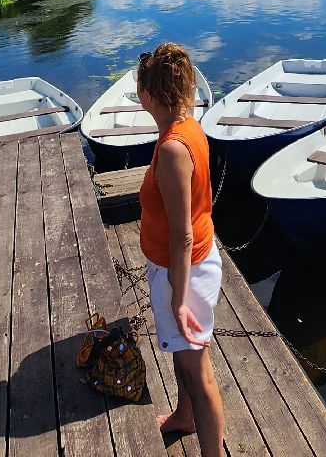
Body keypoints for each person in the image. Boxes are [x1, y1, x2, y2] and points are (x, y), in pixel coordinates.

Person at [137, 42, 224, 454]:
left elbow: (182, 236)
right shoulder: (188, 126)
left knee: (199, 374)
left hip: (185, 271)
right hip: (183, 267)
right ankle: (183, 417)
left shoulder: (173, 148)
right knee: (182, 355)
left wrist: (177, 298)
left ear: (148, 96)